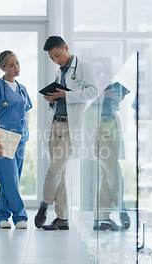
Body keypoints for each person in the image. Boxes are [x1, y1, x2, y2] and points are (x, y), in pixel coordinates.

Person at [35, 36, 99, 230]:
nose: (56, 60)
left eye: (58, 55)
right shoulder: (58, 72)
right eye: (52, 58)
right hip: (55, 124)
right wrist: (52, 100)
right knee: (58, 173)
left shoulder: (83, 66)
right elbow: (58, 101)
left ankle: (44, 204)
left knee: (53, 170)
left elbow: (93, 91)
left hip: (71, 128)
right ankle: (62, 219)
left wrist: (66, 95)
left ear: (66, 48)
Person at [0, 50, 33, 229]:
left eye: (17, 63)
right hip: (0, 136)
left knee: (10, 179)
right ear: (3, 68)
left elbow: (27, 109)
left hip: (20, 137)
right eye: (11, 65)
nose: (16, 67)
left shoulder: (21, 88)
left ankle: (1, 216)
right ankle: (20, 216)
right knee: (9, 178)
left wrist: (25, 124)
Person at [94, 82, 131, 231]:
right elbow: (85, 102)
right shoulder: (93, 81)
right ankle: (121, 207)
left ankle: (101, 219)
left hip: (111, 130)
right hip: (97, 132)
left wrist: (114, 97)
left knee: (105, 178)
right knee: (115, 172)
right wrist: (103, 95)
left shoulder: (110, 98)